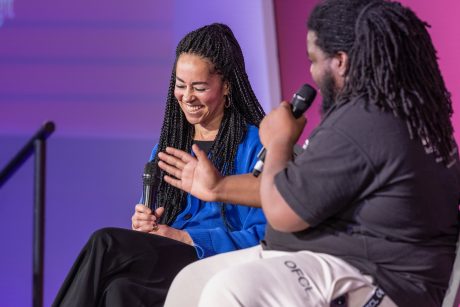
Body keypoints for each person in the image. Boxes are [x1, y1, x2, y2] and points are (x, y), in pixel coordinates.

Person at [160, 1, 460, 306]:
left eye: (314, 60)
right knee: (192, 282)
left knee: (231, 289)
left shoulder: (364, 124)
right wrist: (217, 188)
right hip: (345, 262)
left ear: (340, 61)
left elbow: (282, 212)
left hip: (376, 278)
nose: (312, 73)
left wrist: (278, 143)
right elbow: (295, 189)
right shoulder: (390, 116)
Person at [52, 23, 267, 307]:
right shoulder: (169, 145)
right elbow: (154, 217)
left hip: (217, 262)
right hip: (169, 259)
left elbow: (264, 235)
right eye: (180, 85)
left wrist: (186, 237)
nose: (187, 96)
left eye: (199, 87)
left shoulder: (256, 145)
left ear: (227, 85)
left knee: (107, 244)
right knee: (119, 289)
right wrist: (144, 223)